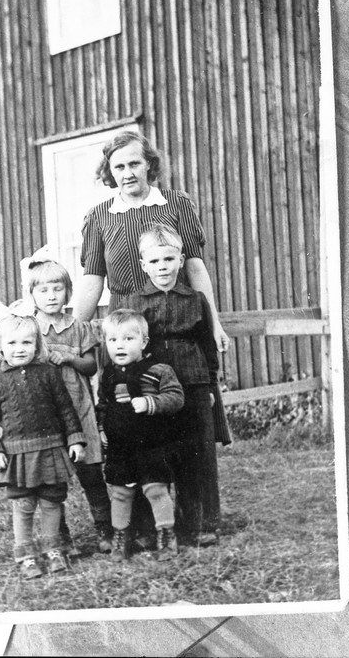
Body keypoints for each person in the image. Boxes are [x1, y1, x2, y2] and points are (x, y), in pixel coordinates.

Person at [72, 129, 231, 545]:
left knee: (191, 426)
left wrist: (214, 321)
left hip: (179, 325)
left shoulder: (177, 204)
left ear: (149, 165)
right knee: (136, 427)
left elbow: (194, 267)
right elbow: (92, 280)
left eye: (134, 163)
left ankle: (199, 522)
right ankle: (144, 527)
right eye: (118, 166)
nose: (127, 173)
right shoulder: (99, 216)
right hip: (128, 332)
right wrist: (74, 331)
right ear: (109, 171)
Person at [119, 224, 222, 545]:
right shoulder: (134, 301)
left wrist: (210, 386)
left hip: (193, 382)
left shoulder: (196, 300)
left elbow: (207, 346)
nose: (162, 267)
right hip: (152, 387)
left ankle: (199, 524)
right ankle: (149, 528)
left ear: (180, 259)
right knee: (151, 453)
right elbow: (124, 347)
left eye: (168, 259)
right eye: (154, 261)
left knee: (197, 453)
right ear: (143, 265)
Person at [0, 313, 86, 580]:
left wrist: (75, 439)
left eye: (26, 343)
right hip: (16, 454)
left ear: (37, 345)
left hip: (51, 448)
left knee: (52, 501)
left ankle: (53, 549)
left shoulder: (49, 374)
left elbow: (66, 410)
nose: (19, 349)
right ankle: (26, 555)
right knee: (24, 504)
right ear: (0, 346)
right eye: (12, 343)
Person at [24, 255, 113, 555]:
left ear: (68, 292)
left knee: (91, 474)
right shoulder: (30, 329)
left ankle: (106, 530)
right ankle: (61, 538)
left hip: (80, 407)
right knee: (53, 479)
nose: (51, 296)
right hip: (47, 414)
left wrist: (70, 358)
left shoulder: (79, 327)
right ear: (32, 295)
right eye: (43, 290)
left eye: (57, 289)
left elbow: (91, 366)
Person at [96, 309, 185, 561]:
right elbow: (103, 405)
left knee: (156, 489)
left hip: (152, 444)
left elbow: (176, 397)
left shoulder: (158, 370)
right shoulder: (108, 374)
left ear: (144, 342)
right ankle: (121, 536)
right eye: (113, 340)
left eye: (128, 339)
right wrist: (102, 429)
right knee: (121, 492)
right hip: (120, 447)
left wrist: (150, 403)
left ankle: (166, 535)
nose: (120, 345)